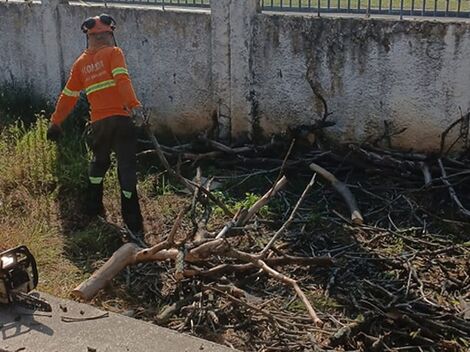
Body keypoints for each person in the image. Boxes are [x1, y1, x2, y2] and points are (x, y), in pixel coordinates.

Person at [47, 14, 144, 235]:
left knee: (99, 163)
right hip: (121, 119)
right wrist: (133, 105)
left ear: (89, 37)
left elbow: (68, 95)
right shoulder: (114, 53)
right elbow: (122, 79)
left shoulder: (81, 64)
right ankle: (133, 222)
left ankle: (93, 207)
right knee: (126, 167)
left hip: (99, 123)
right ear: (110, 35)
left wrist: (55, 122)